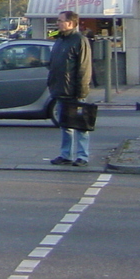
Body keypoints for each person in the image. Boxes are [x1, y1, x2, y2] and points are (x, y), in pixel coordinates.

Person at [48, 10, 93, 167]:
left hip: (75, 90)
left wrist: (81, 91)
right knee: (65, 124)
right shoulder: (59, 40)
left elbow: (84, 68)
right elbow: (54, 64)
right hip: (61, 89)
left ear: (71, 23)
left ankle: (82, 155)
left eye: (61, 20)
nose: (58, 23)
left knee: (80, 125)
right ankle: (65, 154)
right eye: (58, 20)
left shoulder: (79, 40)